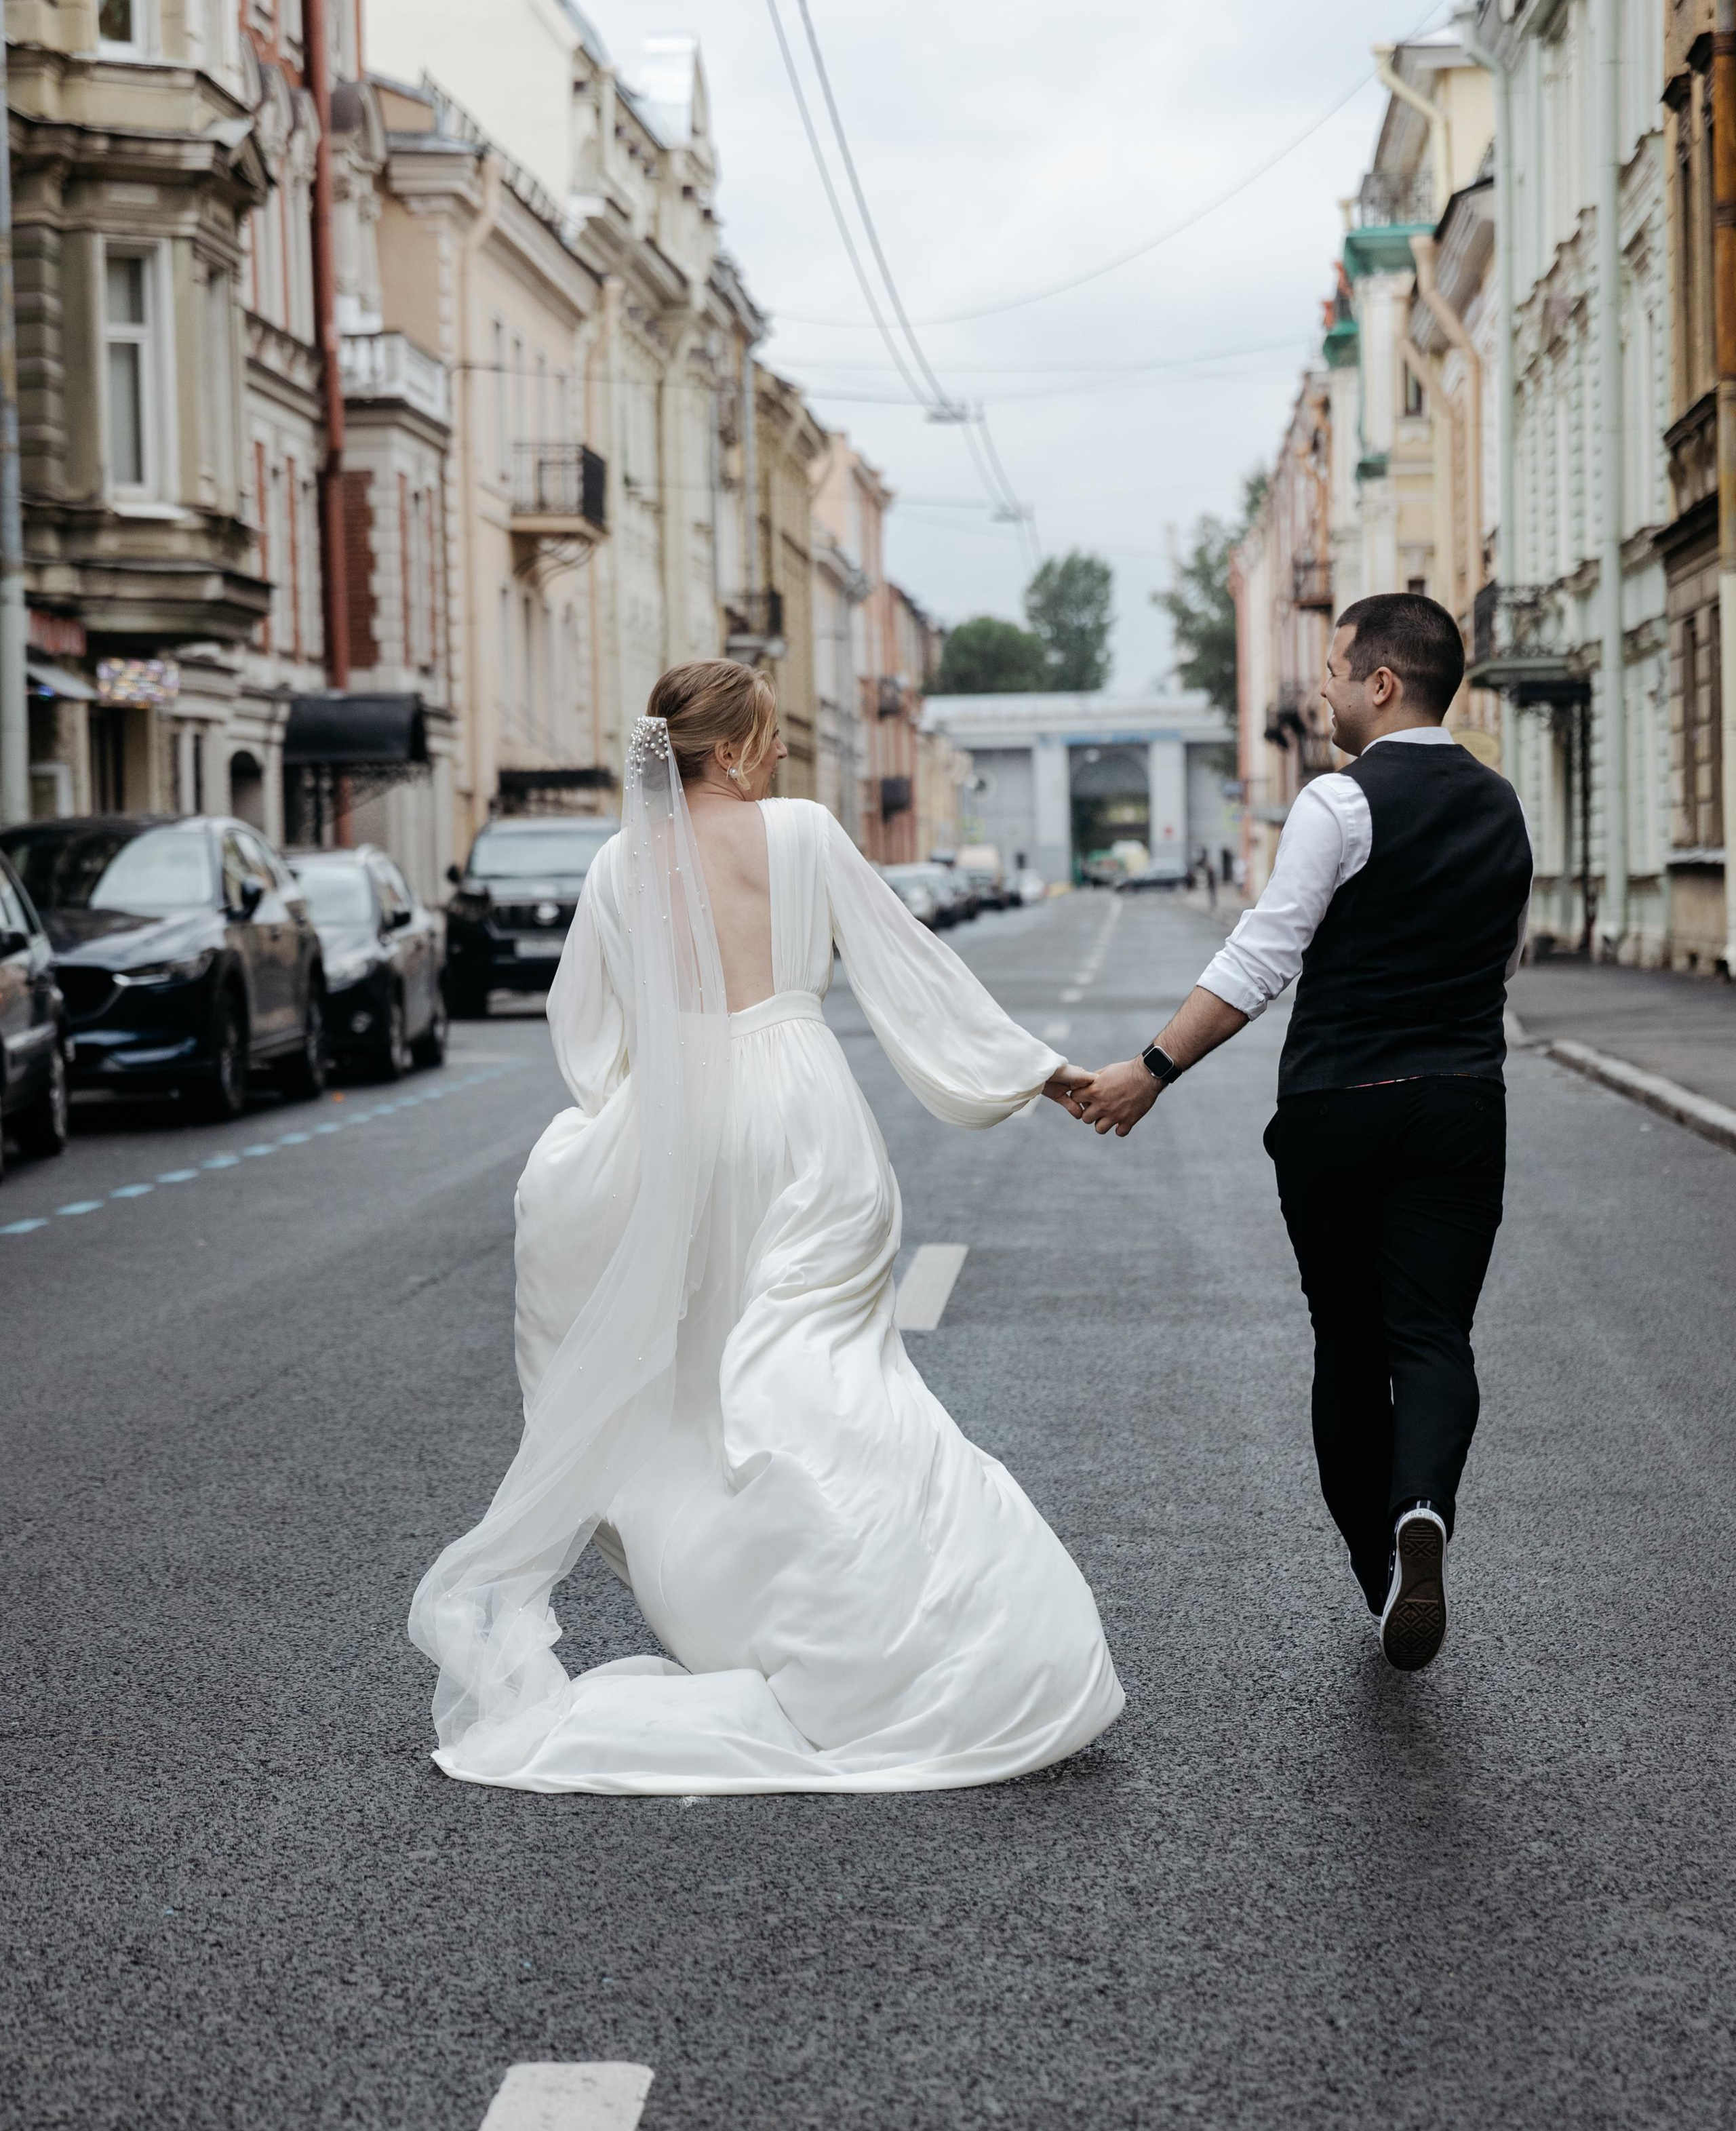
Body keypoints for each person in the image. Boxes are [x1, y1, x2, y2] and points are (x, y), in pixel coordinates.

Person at [410, 660, 1121, 1793]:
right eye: (773, 736)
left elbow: (586, 1033)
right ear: (733, 751)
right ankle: (910, 1635)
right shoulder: (801, 835)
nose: (784, 753)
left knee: (711, 1394)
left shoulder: (616, 863)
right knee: (828, 1378)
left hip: (685, 1133)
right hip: (806, 1122)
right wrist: (1037, 1072)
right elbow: (911, 976)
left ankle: (773, 1622)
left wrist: (638, 1111)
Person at [1077, 594, 1533, 1672]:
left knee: (1348, 1340)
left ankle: (1388, 1577)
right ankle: (1425, 1511)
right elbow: (1504, 961)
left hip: (1340, 1103)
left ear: (1382, 683)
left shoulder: (1338, 803)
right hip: (1463, 1100)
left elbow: (1260, 957)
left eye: (1335, 669)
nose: (1320, 688)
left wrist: (1150, 1072)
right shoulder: (1504, 805)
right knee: (1432, 1337)